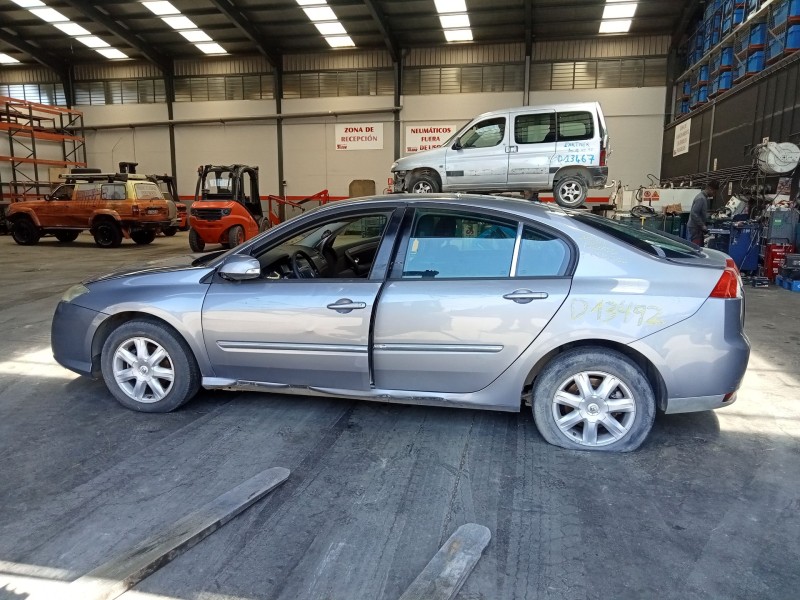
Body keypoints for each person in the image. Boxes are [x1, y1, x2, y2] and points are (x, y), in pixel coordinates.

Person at [688, 179, 719, 247]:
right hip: (695, 228)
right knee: (696, 248)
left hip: (697, 228)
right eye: (714, 192)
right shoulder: (701, 198)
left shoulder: (704, 198)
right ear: (710, 189)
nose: (714, 195)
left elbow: (699, 212)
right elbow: (694, 213)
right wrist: (702, 225)